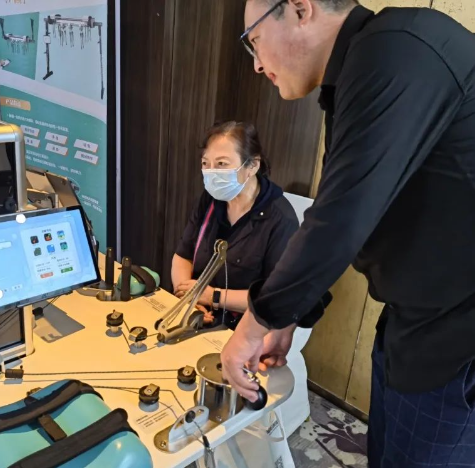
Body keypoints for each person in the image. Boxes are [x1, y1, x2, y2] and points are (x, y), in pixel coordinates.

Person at [220, 0, 475, 466]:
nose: (256, 64)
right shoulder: (360, 69)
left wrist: (253, 328)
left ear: (300, 9)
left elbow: (340, 219)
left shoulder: (397, 51)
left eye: (254, 40)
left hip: (457, 332)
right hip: (414, 319)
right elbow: (342, 210)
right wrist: (290, 315)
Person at [172, 121, 299, 329]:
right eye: (205, 163)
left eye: (222, 164)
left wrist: (212, 296)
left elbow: (275, 297)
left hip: (245, 329)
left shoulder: (281, 219)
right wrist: (188, 299)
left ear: (252, 166)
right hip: (196, 315)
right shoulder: (210, 200)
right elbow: (182, 256)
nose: (211, 172)